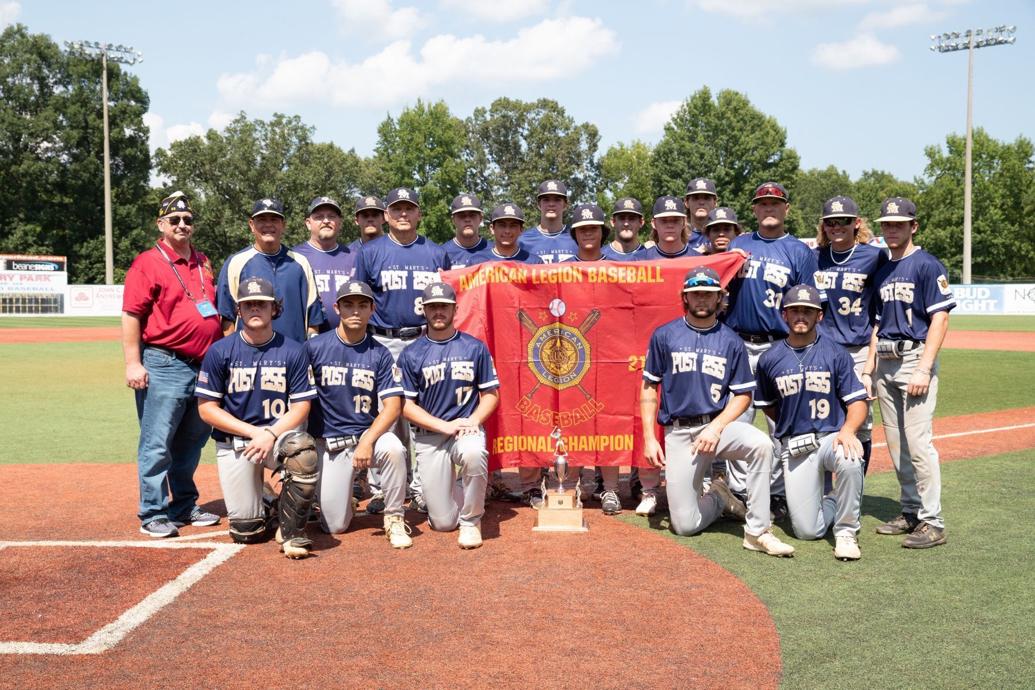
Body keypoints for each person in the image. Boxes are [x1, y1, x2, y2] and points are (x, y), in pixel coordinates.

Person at [641, 267, 794, 556]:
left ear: (720, 298)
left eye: (708, 294)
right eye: (696, 293)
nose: (702, 299)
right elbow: (649, 387)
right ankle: (719, 497)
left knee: (761, 444)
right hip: (680, 432)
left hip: (718, 428)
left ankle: (758, 531)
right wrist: (650, 438)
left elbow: (743, 395)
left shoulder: (731, 340)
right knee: (684, 525)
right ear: (685, 297)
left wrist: (716, 427)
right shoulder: (665, 335)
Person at [122, 191, 223, 538]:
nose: (182, 224)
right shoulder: (147, 263)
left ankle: (182, 505)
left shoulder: (202, 261)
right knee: (157, 441)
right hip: (164, 362)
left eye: (188, 220)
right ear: (161, 224)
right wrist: (133, 363)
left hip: (203, 366)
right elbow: (131, 315)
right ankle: (153, 511)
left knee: (192, 441)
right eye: (175, 219)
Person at [195, 277, 319, 558]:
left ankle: (292, 533)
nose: (254, 309)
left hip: (277, 439)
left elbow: (301, 406)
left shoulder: (293, 350)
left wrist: (270, 434)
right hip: (238, 443)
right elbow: (207, 409)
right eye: (248, 304)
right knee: (247, 532)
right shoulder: (220, 351)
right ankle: (268, 499)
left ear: (274, 309)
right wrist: (254, 433)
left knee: (302, 452)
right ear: (238, 310)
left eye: (261, 304)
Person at [723, 182, 821, 518]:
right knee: (738, 421)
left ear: (786, 209)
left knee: (781, 421)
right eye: (763, 203)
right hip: (738, 342)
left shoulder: (799, 252)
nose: (769, 208)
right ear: (754, 209)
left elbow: (808, 303)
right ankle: (739, 492)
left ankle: (778, 493)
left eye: (775, 203)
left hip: (779, 346)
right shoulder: (739, 245)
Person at [353, 187, 450, 513]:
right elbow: (360, 301)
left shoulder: (436, 252)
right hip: (383, 340)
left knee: (423, 414)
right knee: (386, 414)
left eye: (409, 208)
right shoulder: (370, 252)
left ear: (419, 213)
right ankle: (384, 489)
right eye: (397, 208)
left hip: (424, 339)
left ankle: (422, 487)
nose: (403, 214)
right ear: (387, 215)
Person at [753, 285, 867, 561]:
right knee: (808, 531)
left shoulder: (836, 353)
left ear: (819, 316)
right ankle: (833, 499)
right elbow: (768, 404)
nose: (800, 316)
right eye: (795, 311)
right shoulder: (769, 358)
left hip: (830, 438)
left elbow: (858, 402)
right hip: (796, 444)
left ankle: (846, 532)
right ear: (784, 315)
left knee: (851, 458)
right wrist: (790, 425)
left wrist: (848, 431)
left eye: (808, 311)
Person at [866, 197, 955, 549]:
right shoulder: (882, 269)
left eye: (899, 224)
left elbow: (940, 319)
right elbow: (877, 323)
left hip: (914, 359)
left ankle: (934, 521)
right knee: (897, 444)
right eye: (887, 224)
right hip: (885, 361)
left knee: (918, 443)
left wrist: (923, 368)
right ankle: (911, 511)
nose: (892, 229)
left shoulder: (927, 265)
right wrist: (870, 367)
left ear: (913, 226)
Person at [304, 280, 412, 549]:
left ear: (372, 309)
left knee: (394, 448)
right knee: (335, 526)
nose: (355, 311)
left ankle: (394, 517)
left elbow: (393, 406)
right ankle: (345, 495)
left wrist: (368, 440)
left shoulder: (380, 353)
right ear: (336, 308)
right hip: (330, 444)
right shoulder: (314, 348)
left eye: (363, 305)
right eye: (348, 304)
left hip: (366, 438)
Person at [398, 283, 500, 549]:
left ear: (455, 309)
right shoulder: (411, 353)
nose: (438, 312)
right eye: (432, 307)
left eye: (444, 306)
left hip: (466, 429)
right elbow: (405, 406)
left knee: (474, 453)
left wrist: (474, 420)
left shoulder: (474, 347)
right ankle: (455, 489)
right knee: (443, 523)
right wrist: (444, 426)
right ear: (424, 310)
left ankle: (471, 520)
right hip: (431, 435)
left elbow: (491, 394)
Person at [813, 195, 888, 474]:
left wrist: (870, 365)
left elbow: (882, 310)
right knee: (820, 417)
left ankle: (855, 487)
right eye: (830, 222)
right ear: (824, 225)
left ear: (856, 223)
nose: (836, 226)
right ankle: (823, 488)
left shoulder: (874, 256)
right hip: (822, 350)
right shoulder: (815, 257)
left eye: (843, 221)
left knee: (862, 422)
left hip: (858, 350)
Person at [216, 198, 324, 342]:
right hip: (248, 353)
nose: (268, 224)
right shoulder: (236, 262)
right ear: (251, 225)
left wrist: (310, 350)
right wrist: (232, 350)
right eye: (262, 219)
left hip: (295, 352)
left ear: (283, 225)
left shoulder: (301, 263)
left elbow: (313, 318)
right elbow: (227, 317)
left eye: (274, 219)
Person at [292, 195, 358, 331]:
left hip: (348, 337)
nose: (326, 221)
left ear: (340, 223)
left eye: (331, 216)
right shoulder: (294, 257)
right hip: (307, 337)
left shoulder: (355, 257)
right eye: (319, 217)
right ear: (308, 223)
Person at [519, 179, 578, 263]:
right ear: (539, 204)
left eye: (557, 200)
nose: (551, 204)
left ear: (565, 205)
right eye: (546, 200)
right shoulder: (523, 241)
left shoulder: (577, 237)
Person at [474, 203, 543, 264]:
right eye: (502, 225)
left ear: (521, 230)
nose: (507, 231)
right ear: (492, 229)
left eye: (513, 225)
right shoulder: (477, 261)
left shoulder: (534, 262)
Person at [640, 196, 694, 261]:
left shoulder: (699, 259)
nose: (670, 225)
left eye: (675, 220)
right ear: (654, 223)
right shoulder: (638, 260)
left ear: (684, 222)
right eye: (664, 221)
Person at [444, 193, 489, 268]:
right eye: (461, 216)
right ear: (453, 220)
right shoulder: (442, 253)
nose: (467, 219)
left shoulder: (494, 251)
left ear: (481, 218)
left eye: (472, 215)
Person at [684, 178, 718, 251]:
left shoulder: (724, 235)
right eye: (695, 198)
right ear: (686, 202)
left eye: (707, 198)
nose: (701, 202)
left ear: (715, 202)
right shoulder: (678, 236)